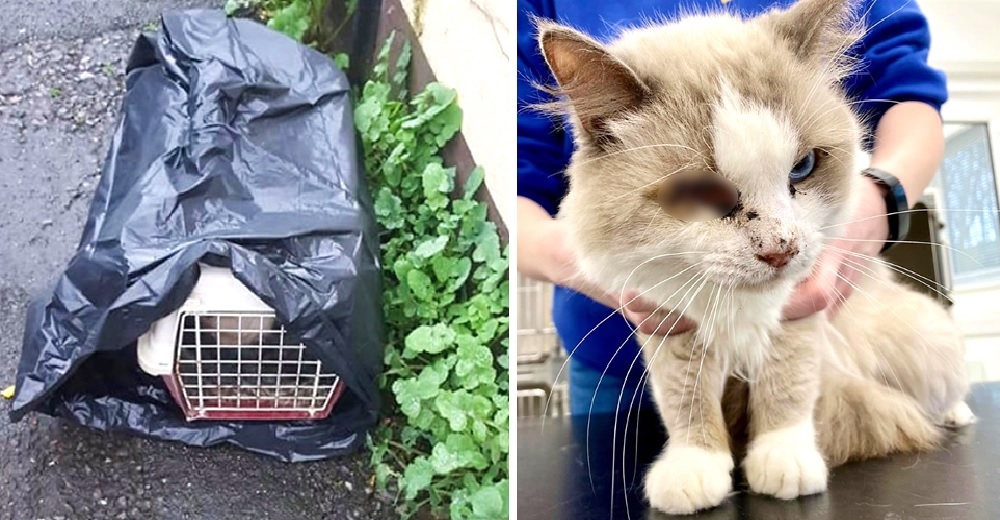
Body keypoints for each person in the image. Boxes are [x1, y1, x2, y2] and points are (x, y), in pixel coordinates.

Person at [516, 0, 948, 415]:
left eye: (802, 166)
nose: (778, 243)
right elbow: (517, 177)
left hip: (820, 335)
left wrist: (874, 203)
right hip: (621, 359)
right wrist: (610, 271)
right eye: (705, 193)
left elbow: (907, 91)